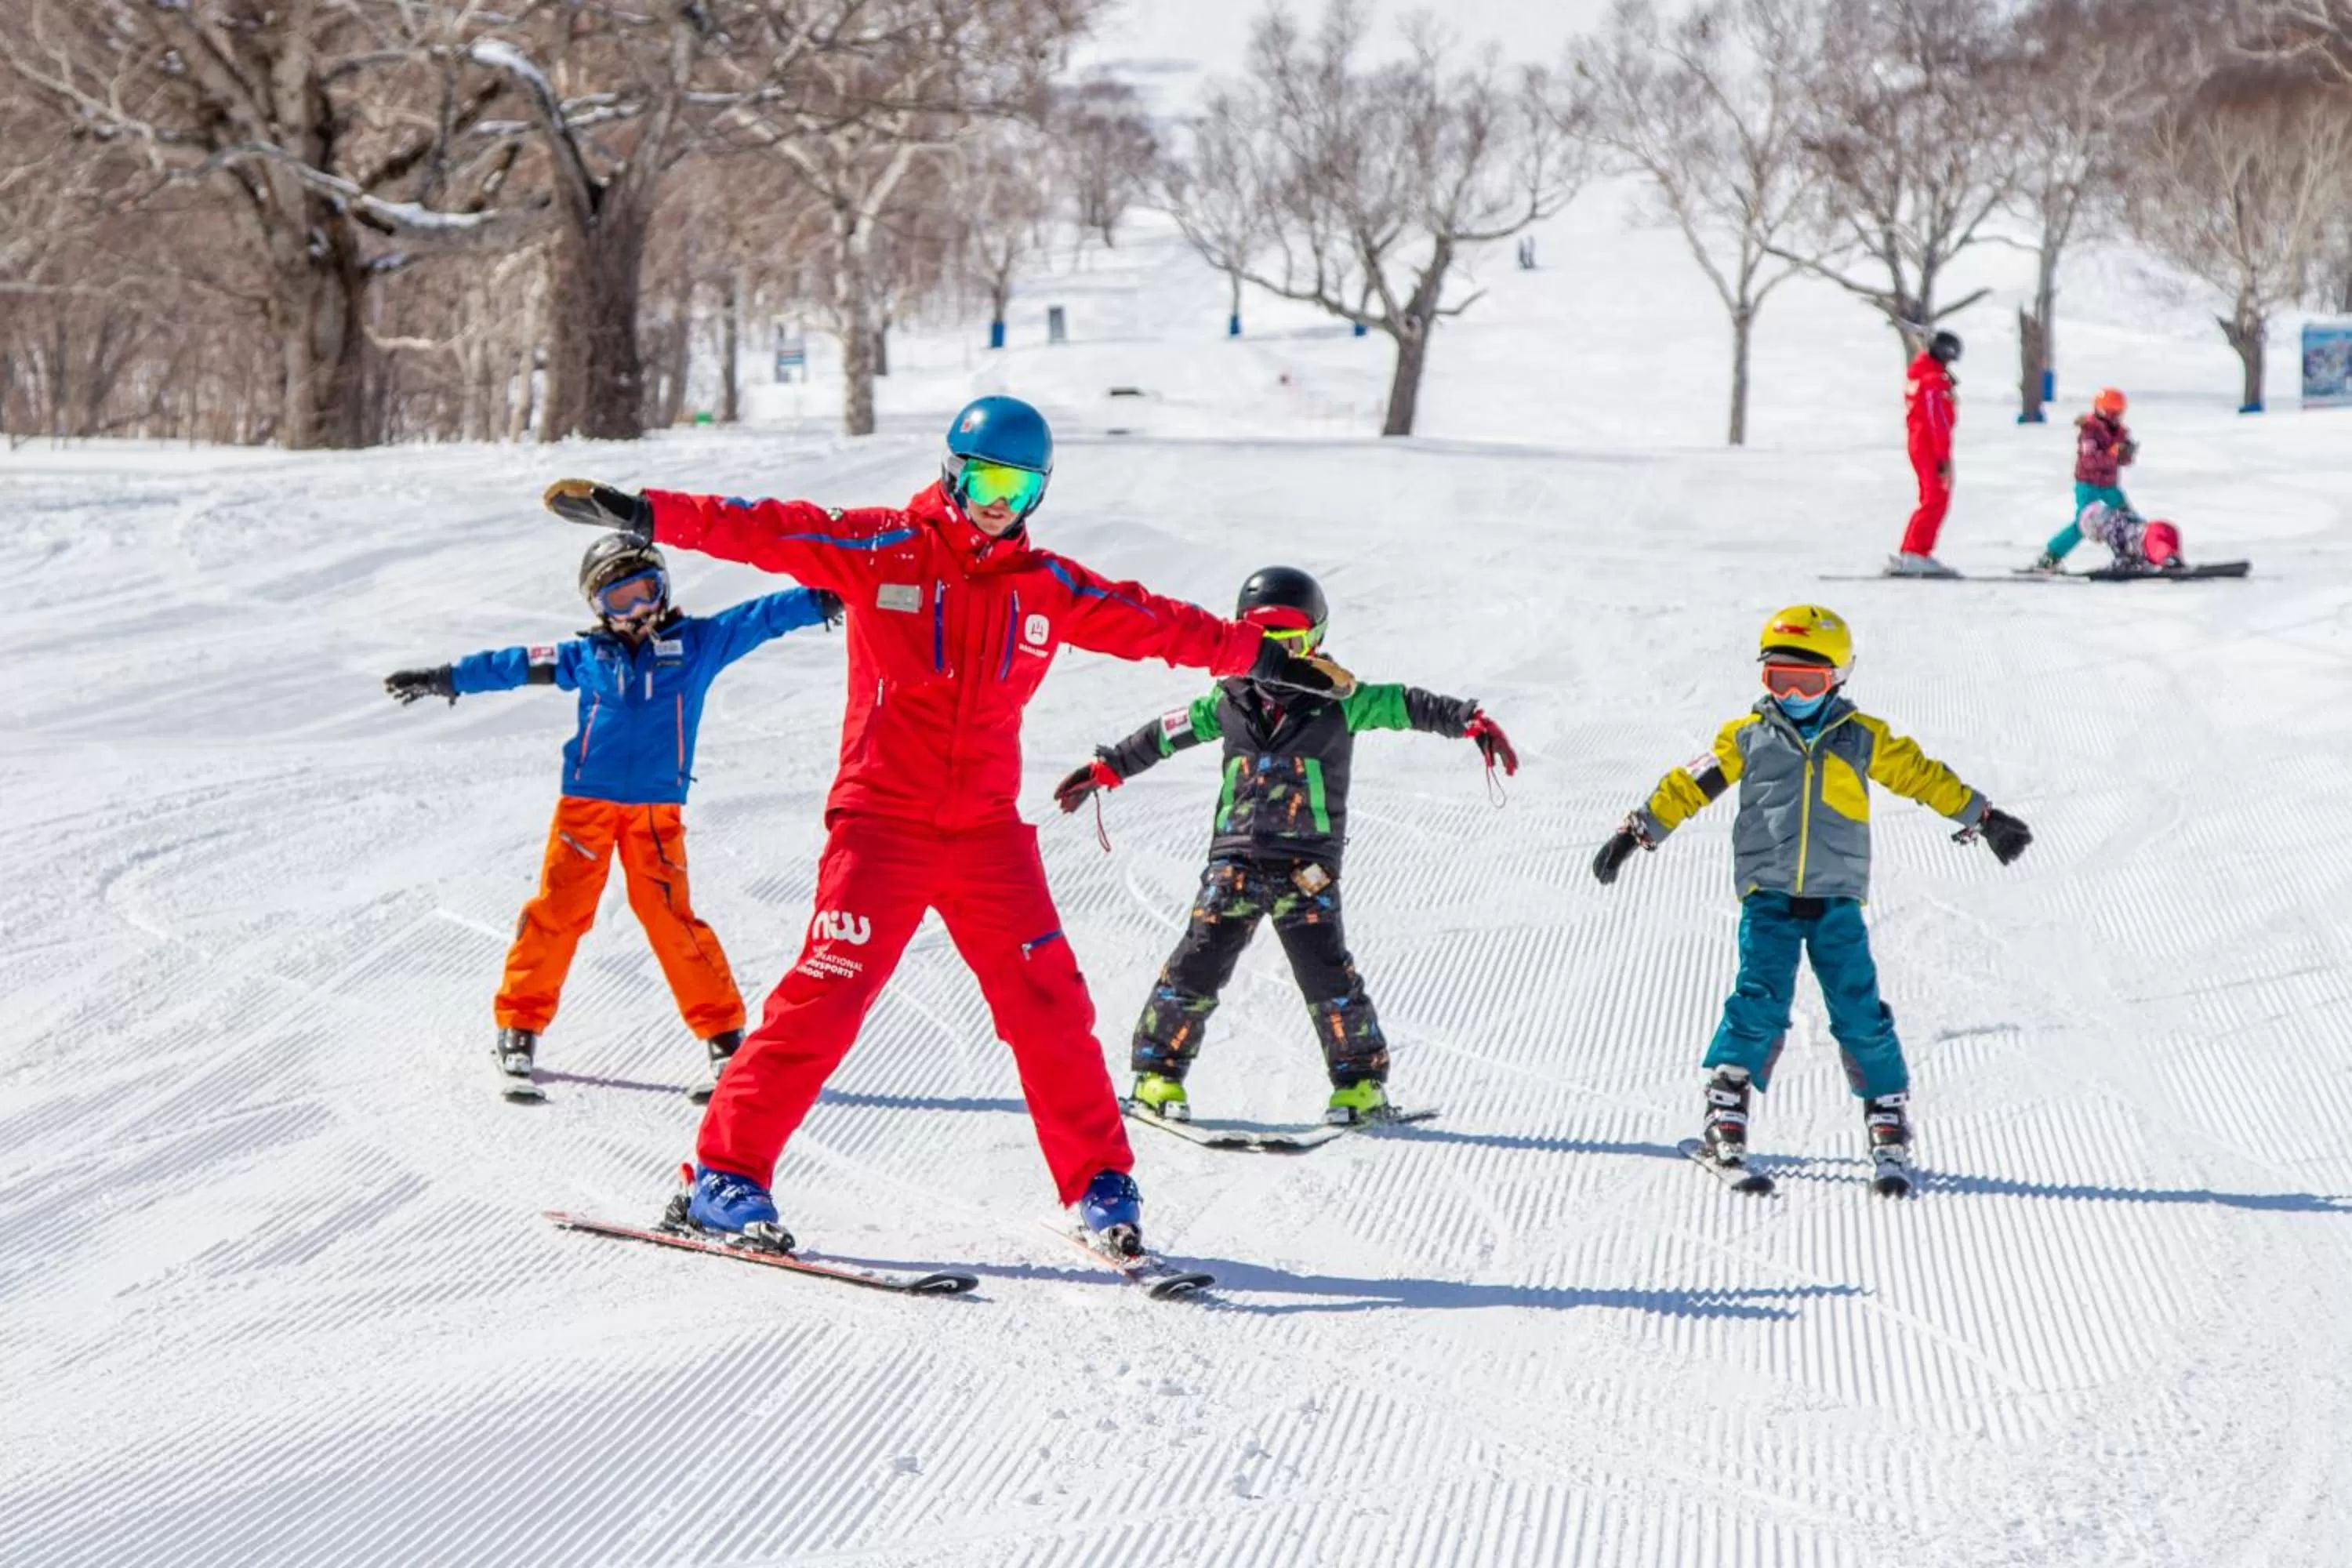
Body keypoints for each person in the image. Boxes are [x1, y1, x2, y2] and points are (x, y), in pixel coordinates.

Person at [542, 396, 1356, 1258]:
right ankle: (724, 1173)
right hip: (880, 825)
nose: (998, 499)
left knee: (1050, 1004)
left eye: (1019, 483)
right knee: (825, 997)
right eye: (984, 477)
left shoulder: (1047, 586)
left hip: (986, 836)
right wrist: (649, 513)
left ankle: (1100, 1183)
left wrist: (1265, 657)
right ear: (951, 469)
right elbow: (773, 528)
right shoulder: (884, 544)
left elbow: (1157, 622)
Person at [1052, 566, 1519, 1128]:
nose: (1279, 655)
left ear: (1316, 640)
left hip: (1308, 865)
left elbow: (1407, 704)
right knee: (1198, 961)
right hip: (1236, 857)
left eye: (1291, 640)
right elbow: (1163, 734)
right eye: (1264, 640)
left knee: (1326, 972)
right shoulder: (1225, 702)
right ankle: (1158, 1075)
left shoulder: (1342, 702)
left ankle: (1360, 1088)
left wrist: (1469, 721)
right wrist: (1109, 767)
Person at [384, 537, 841, 1103]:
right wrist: (448, 678)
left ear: (664, 589)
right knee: (558, 913)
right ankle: (518, 1029)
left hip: (655, 811)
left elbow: (761, 616)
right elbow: (513, 665)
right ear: (598, 606)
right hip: (586, 807)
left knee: (671, 920)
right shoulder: (586, 658)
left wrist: (822, 597)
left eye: (644, 592)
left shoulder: (697, 644)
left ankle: (724, 1038)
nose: (636, 610)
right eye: (618, 598)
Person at [1590, 605, 2032, 1185]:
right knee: (1759, 999)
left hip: (1836, 897)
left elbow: (1924, 775)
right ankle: (1726, 1111)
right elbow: (1688, 785)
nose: (1794, 694)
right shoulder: (1745, 737)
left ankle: (1887, 1116)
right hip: (1767, 894)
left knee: (1858, 1009)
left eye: (1809, 682)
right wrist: (1638, 830)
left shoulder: (1862, 738)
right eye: (1779, 680)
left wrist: (1984, 816)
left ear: (1839, 677)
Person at [2030, 387, 2138, 572]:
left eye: (2118, 413)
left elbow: (2122, 461)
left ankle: (2139, 550)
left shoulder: (2120, 432)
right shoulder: (2090, 430)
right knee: (2084, 524)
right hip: (2088, 486)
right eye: (2112, 412)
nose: (2115, 417)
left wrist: (2127, 454)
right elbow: (2090, 461)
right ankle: (2051, 556)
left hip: (2110, 486)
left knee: (2129, 518)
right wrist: (2113, 454)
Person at [1890, 330, 1962, 578]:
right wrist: (1943, 457)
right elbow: (1938, 421)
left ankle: (1913, 550)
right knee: (1936, 499)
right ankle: (1916, 552)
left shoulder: (1922, 374)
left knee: (1931, 498)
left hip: (1920, 442)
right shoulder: (1933, 380)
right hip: (1929, 445)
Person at [2069, 499, 2187, 574]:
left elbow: (2123, 557)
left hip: (2149, 534)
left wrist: (2113, 569)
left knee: (2156, 550)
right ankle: (2172, 559)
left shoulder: (2110, 528)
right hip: (2163, 528)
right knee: (2162, 550)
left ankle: (2169, 560)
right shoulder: (2120, 517)